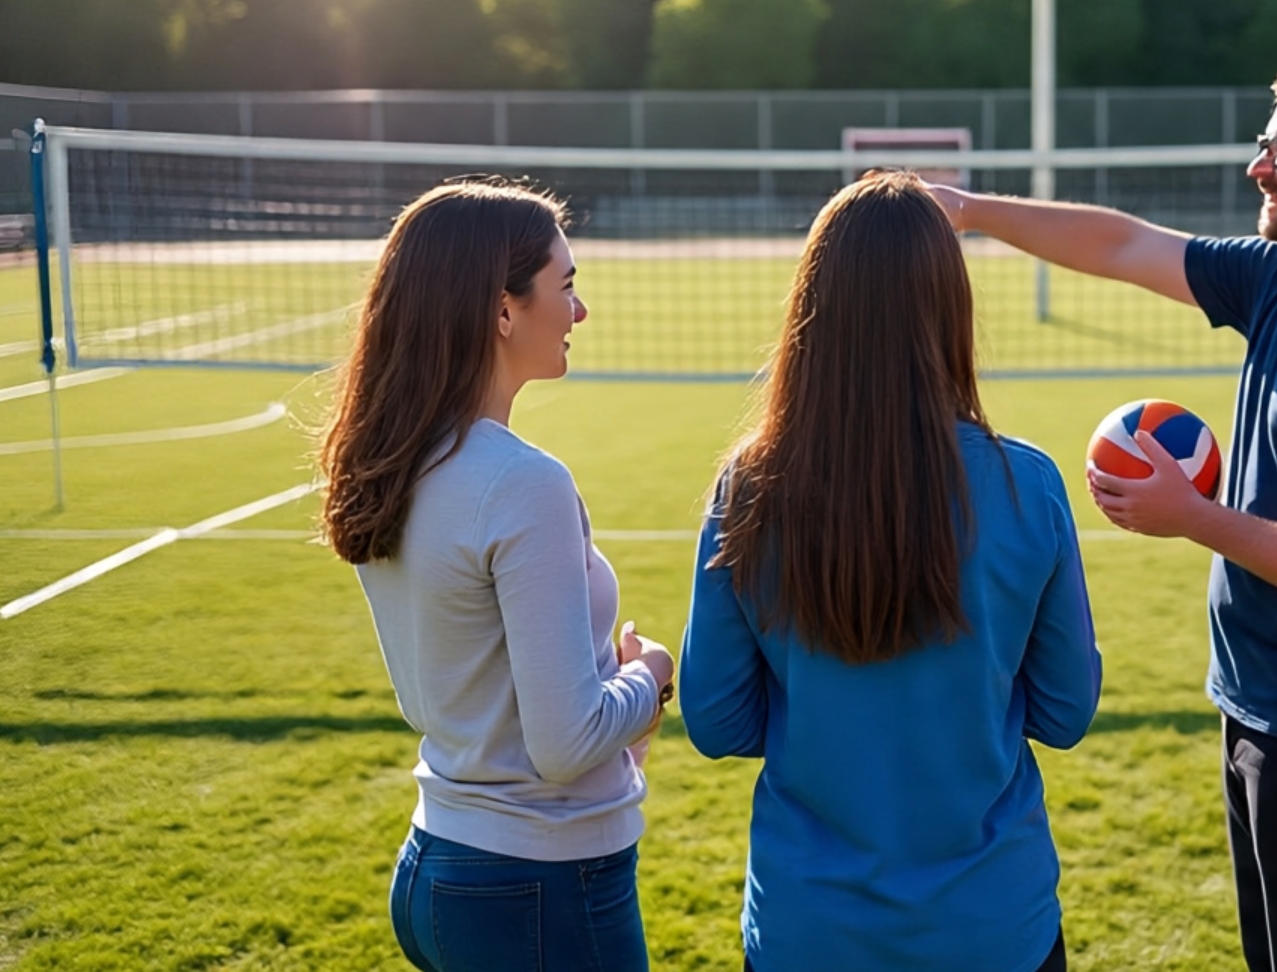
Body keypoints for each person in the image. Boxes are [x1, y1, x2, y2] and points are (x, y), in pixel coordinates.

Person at [925, 58, 1277, 972]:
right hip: (1254, 699)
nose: (1258, 165)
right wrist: (969, 210)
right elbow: (1125, 245)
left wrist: (1196, 517)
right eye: (1265, 142)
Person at [679, 171, 1103, 972]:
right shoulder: (1027, 484)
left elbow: (717, 721)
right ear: (951, 307)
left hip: (810, 931)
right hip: (992, 927)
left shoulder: (749, 484)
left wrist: (830, 708)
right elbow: (1066, 709)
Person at [318, 180, 675, 972]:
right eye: (567, 287)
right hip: (538, 888)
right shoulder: (521, 482)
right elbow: (566, 741)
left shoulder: (394, 462)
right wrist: (652, 678)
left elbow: (486, 705)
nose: (579, 312)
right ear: (503, 310)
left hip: (440, 869)